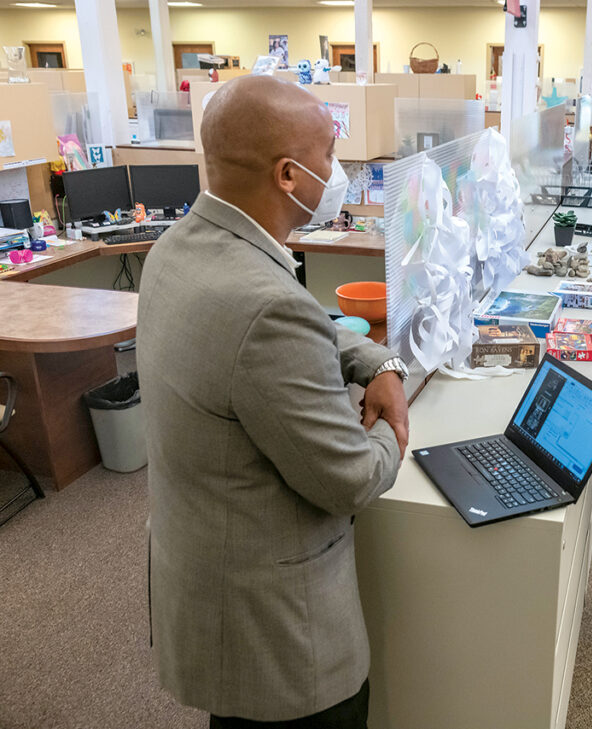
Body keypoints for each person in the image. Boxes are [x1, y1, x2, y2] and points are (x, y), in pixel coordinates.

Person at [137, 75, 409, 728]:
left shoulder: (177, 248)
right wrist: (392, 429)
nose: (335, 169)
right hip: (284, 644)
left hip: (207, 588)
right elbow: (351, 478)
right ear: (290, 175)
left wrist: (378, 361)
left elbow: (289, 326)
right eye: (327, 154)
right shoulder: (264, 307)